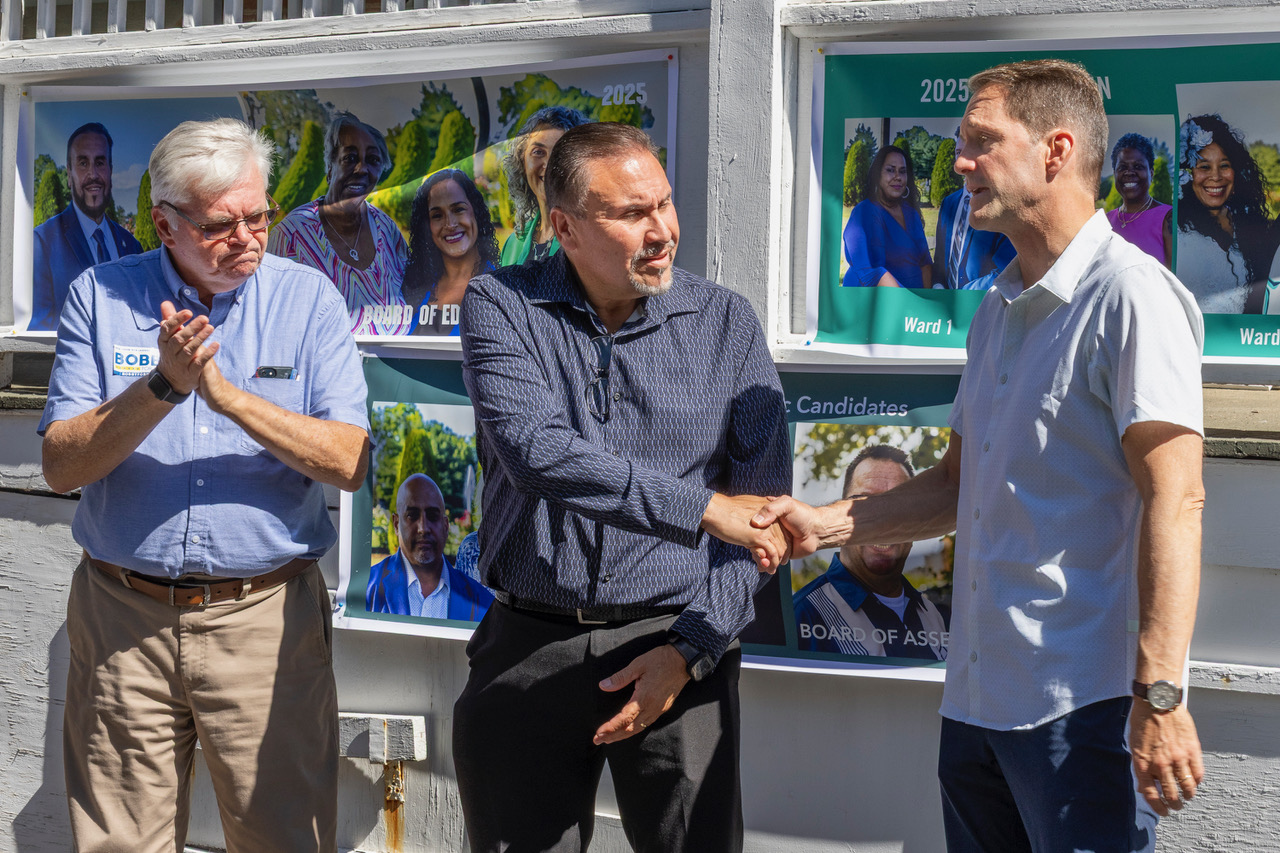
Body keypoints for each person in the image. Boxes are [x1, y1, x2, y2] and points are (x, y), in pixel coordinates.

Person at [755, 60, 1206, 852]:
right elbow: (957, 485)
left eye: (980, 142)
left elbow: (1178, 499)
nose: (957, 162)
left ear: (1056, 149)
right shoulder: (996, 308)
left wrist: (1161, 693)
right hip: (971, 701)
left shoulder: (1131, 296)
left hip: (1078, 710)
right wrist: (822, 525)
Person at [455, 121, 792, 853]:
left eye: (665, 205)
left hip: (677, 644)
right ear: (564, 227)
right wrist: (703, 509)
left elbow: (762, 523)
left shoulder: (726, 323)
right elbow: (538, 453)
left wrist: (690, 649)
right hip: (527, 645)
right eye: (632, 214)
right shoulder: (500, 305)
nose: (662, 231)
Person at [38, 118, 370, 852]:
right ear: (164, 222)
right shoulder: (101, 295)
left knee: (286, 837)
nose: (249, 238)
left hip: (263, 618)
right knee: (120, 841)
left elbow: (349, 460)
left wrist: (228, 398)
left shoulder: (308, 300)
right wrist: (163, 385)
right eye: (222, 225)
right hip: (124, 617)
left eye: (260, 215)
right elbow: (61, 465)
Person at [793, 445, 948, 660]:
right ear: (840, 514)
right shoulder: (802, 614)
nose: (882, 523)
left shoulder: (932, 615)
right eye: (863, 505)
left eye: (898, 506)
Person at [269, 110, 412, 334]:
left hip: (395, 365)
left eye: (373, 160)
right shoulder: (292, 235)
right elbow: (268, 314)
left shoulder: (387, 229)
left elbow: (413, 292)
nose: (362, 169)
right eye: (350, 158)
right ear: (330, 167)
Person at [31, 122, 143, 331]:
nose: (93, 174)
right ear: (69, 175)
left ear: (110, 171)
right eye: (83, 163)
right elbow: (40, 326)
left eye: (100, 163)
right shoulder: (42, 242)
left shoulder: (131, 247)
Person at [1175, 113, 1274, 314]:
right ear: (1187, 174)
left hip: (1245, 341)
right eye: (1204, 166)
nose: (1216, 176)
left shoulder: (1248, 224)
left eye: (1224, 165)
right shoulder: (1175, 231)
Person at [365, 473, 493, 620]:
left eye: (432, 515)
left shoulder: (482, 602)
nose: (423, 528)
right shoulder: (367, 590)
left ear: (445, 526)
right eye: (412, 515)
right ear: (396, 524)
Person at [401, 169, 500, 336]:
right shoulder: (414, 288)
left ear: (475, 212)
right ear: (427, 226)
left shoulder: (501, 288)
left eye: (458, 209)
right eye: (437, 215)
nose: (450, 224)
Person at [499, 105, 591, 267]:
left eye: (560, 153)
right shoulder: (512, 245)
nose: (549, 165)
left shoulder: (591, 237)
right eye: (538, 152)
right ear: (522, 162)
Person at [842, 144, 932, 288]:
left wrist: (927, 301)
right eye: (890, 170)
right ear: (878, 175)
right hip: (877, 303)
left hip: (915, 304)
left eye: (902, 171)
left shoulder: (911, 214)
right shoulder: (863, 212)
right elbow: (869, 273)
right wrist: (910, 305)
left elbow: (925, 262)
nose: (897, 177)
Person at [1106, 133, 1173, 268]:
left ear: (1151, 173)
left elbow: (1175, 278)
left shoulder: (1168, 218)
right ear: (1115, 174)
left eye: (1138, 167)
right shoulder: (1106, 221)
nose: (1129, 172)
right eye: (1123, 167)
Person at [933, 186, 1015, 289]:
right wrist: (938, 285)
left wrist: (965, 294)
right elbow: (940, 256)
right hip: (946, 299)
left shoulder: (1000, 204)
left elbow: (1007, 269)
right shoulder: (948, 202)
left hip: (983, 299)